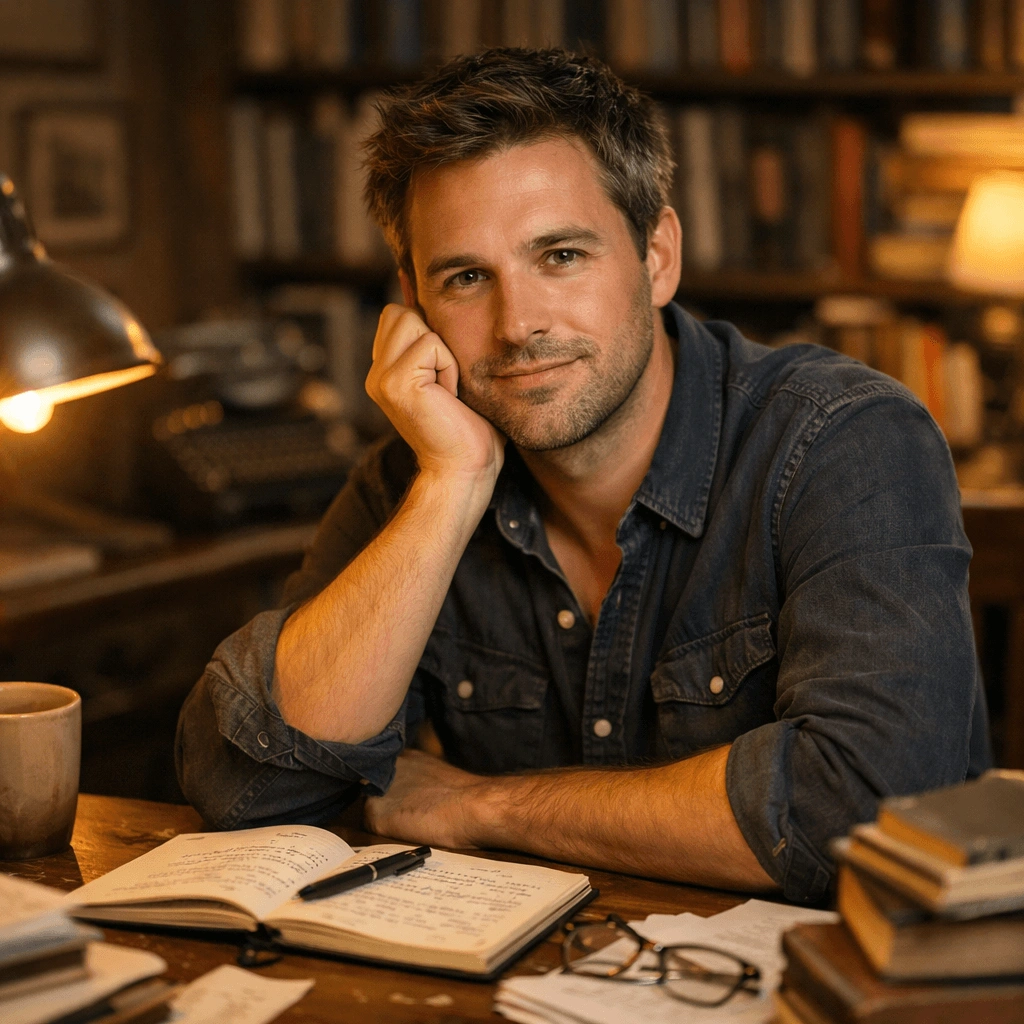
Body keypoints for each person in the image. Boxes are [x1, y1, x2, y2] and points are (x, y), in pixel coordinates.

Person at [176, 48, 990, 903]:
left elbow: (865, 811)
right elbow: (250, 787)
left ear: (658, 256)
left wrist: (482, 808)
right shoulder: (415, 482)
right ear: (411, 302)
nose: (518, 324)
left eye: (560, 256)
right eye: (464, 277)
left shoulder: (843, 439)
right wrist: (451, 487)